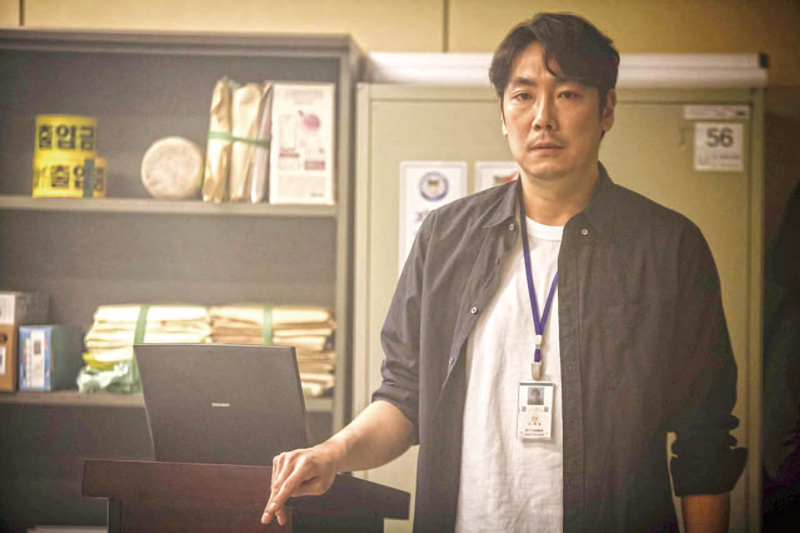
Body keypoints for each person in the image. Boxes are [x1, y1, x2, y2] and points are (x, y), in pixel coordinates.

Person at [262, 12, 746, 532]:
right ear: (502, 113)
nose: (542, 117)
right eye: (522, 96)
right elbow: (404, 398)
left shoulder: (668, 247)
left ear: (606, 108)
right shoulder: (445, 238)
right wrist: (332, 453)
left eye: (567, 94)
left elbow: (704, 438)